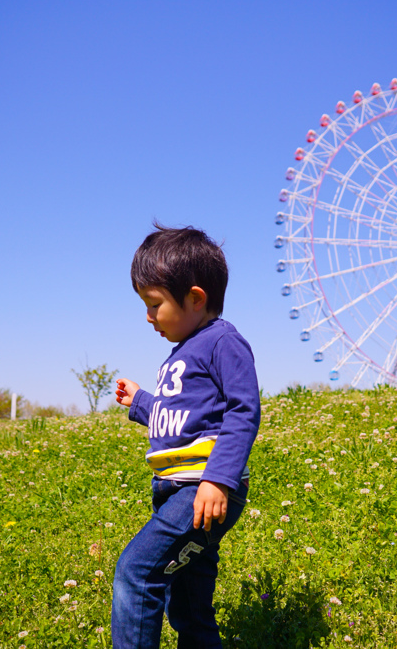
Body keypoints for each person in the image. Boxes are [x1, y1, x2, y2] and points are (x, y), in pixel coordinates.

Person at [112, 224, 261, 649]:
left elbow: (243, 409)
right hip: (175, 490)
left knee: (137, 571)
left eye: (154, 304)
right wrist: (141, 401)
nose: (148, 316)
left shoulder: (222, 342)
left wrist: (218, 479)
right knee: (189, 603)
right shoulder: (183, 353)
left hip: (202, 489)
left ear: (195, 298)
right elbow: (178, 416)